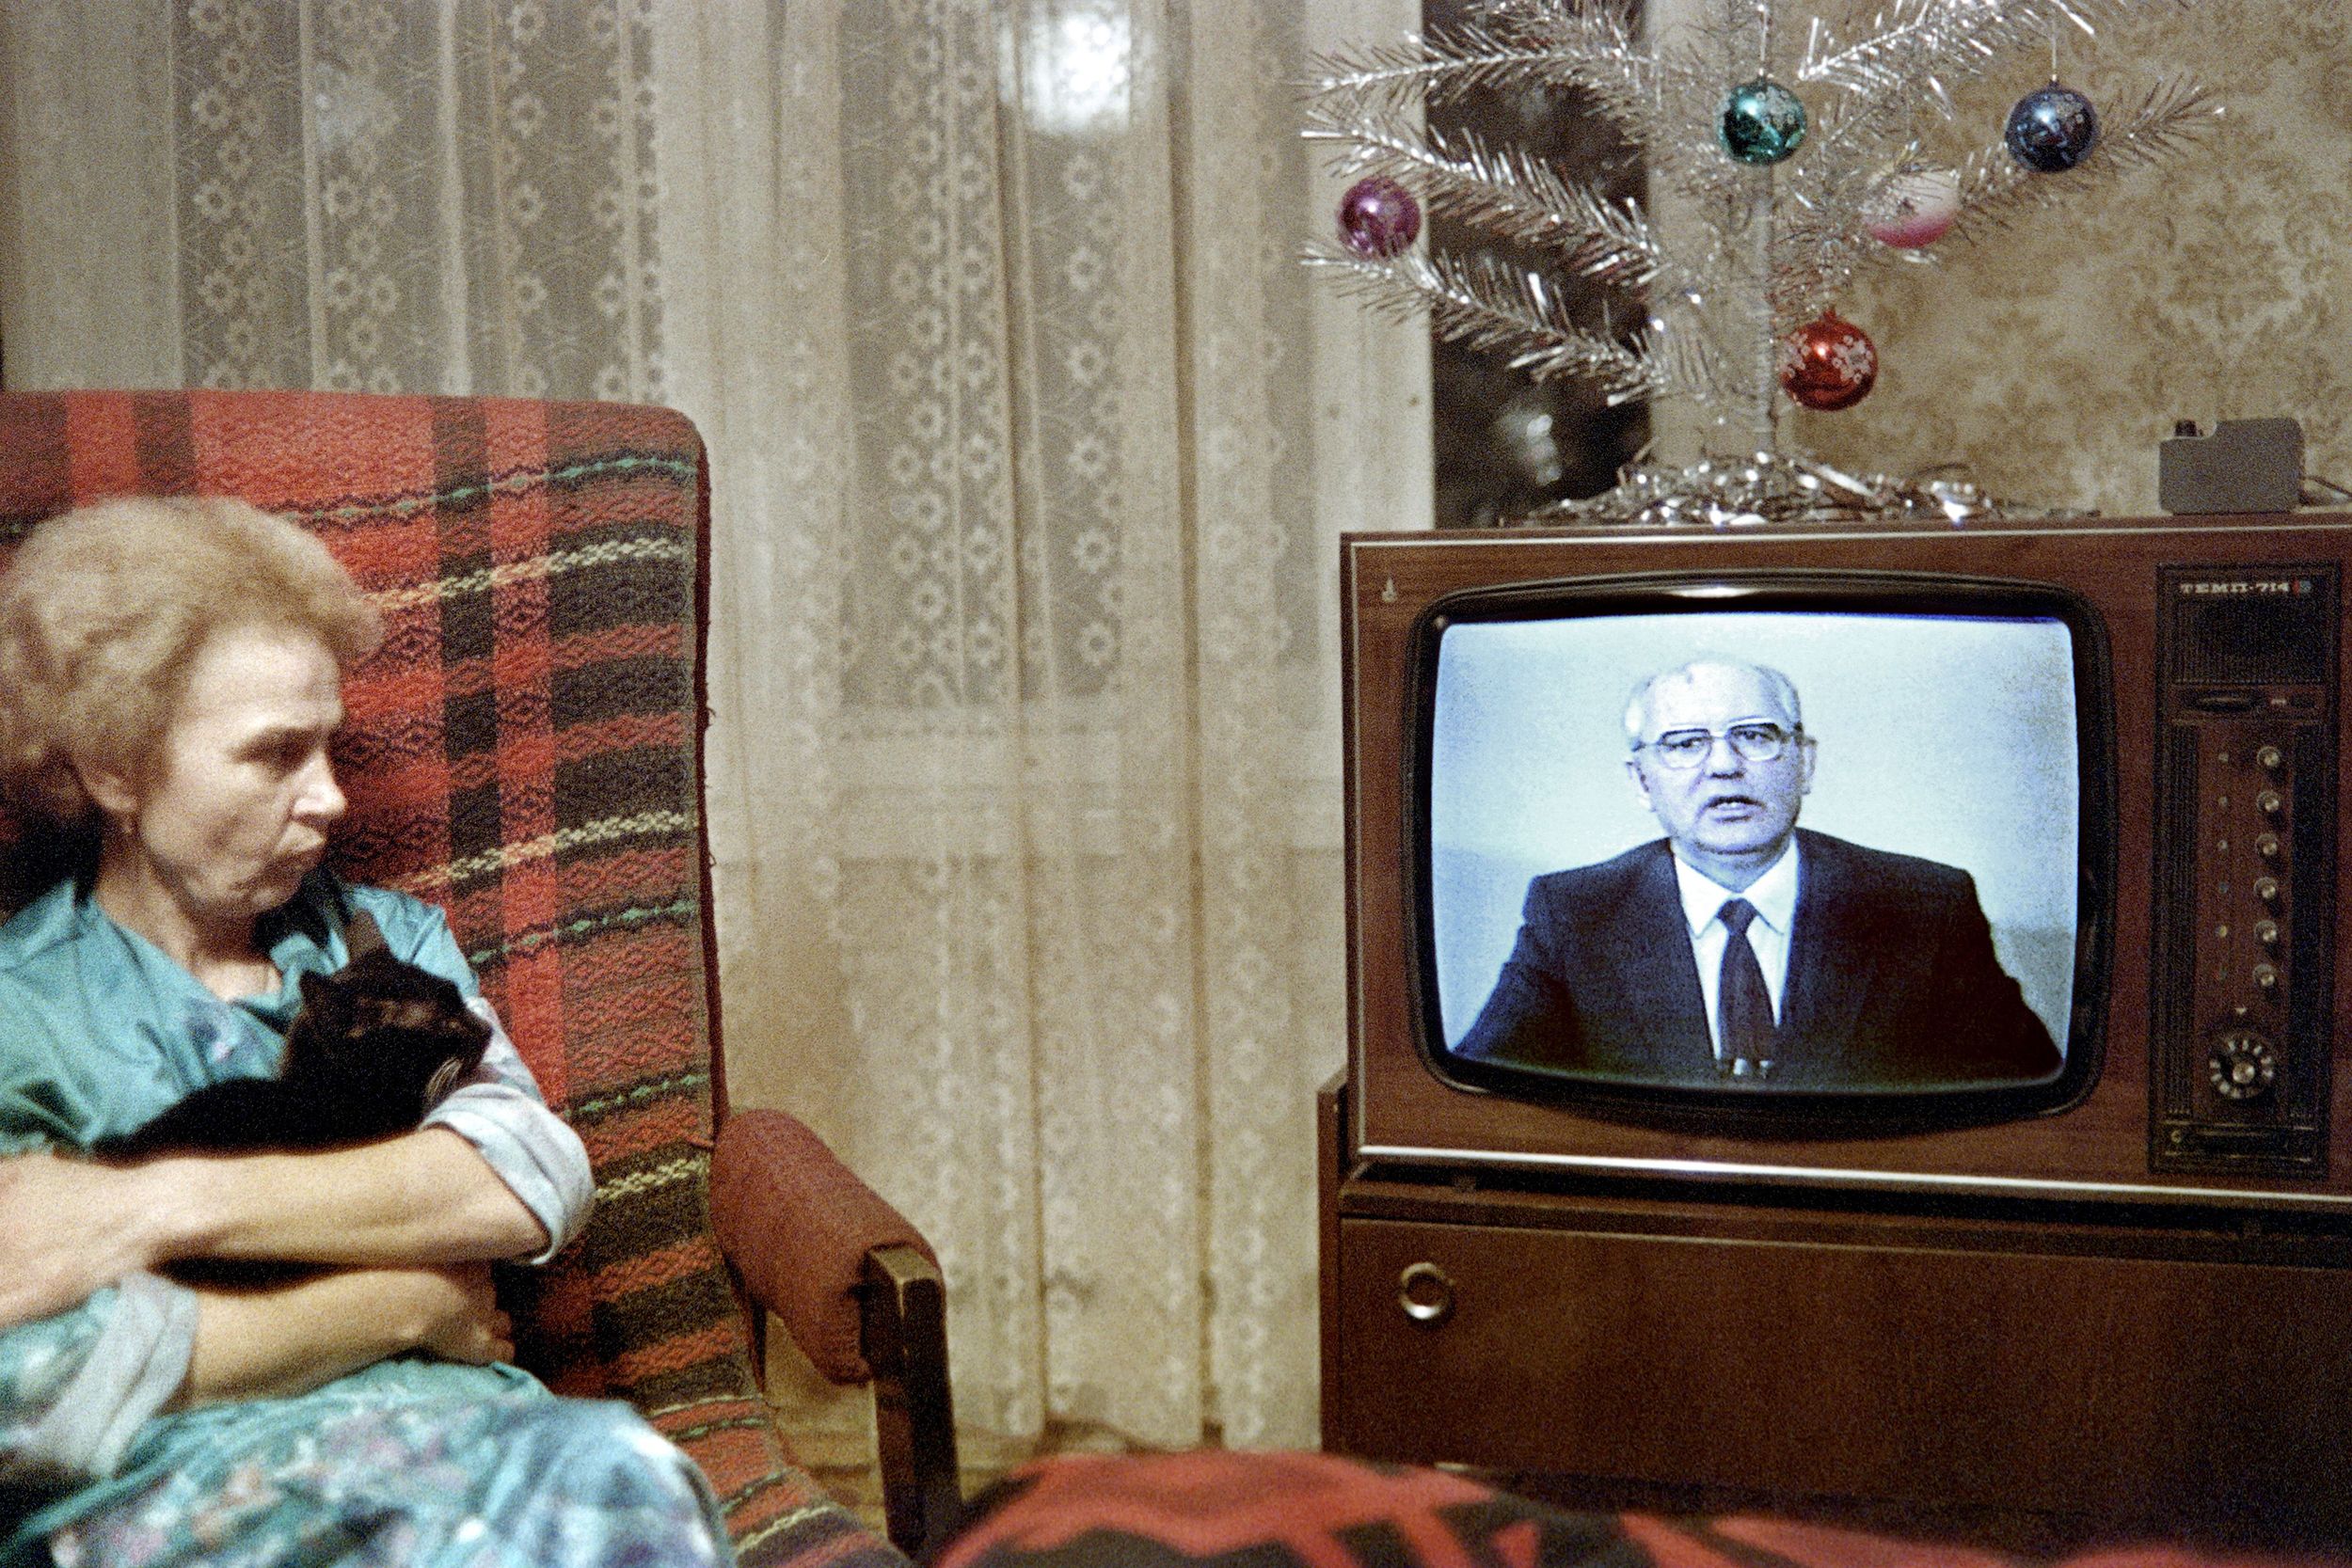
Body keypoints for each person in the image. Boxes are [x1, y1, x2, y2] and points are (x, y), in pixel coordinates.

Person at [0, 498, 736, 1566]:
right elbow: (32, 1383)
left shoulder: (380, 941)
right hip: (174, 1495)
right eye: (274, 754)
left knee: (619, 1477)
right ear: (116, 767)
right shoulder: (22, 1008)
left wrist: (145, 1204)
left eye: (330, 746)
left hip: (473, 1442)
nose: (331, 797)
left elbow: (526, 1174)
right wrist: (400, 1302)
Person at [1454, 656, 2060, 1089]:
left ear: (1805, 762)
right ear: (1642, 782)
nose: (1724, 766)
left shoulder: (1927, 905)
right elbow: (1484, 1096)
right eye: (1685, 744)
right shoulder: (1574, 912)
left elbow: (2027, 1099)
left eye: (1755, 736)